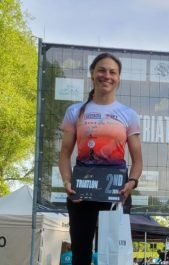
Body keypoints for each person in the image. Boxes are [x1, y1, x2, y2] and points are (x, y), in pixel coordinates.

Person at [59, 52, 143, 265]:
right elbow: (64, 154)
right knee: (81, 254)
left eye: (112, 72)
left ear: (119, 78)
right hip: (82, 191)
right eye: (102, 70)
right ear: (92, 74)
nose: (107, 76)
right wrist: (68, 182)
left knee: (114, 257)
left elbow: (138, 160)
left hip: (116, 192)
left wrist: (132, 182)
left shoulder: (128, 114)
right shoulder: (75, 111)